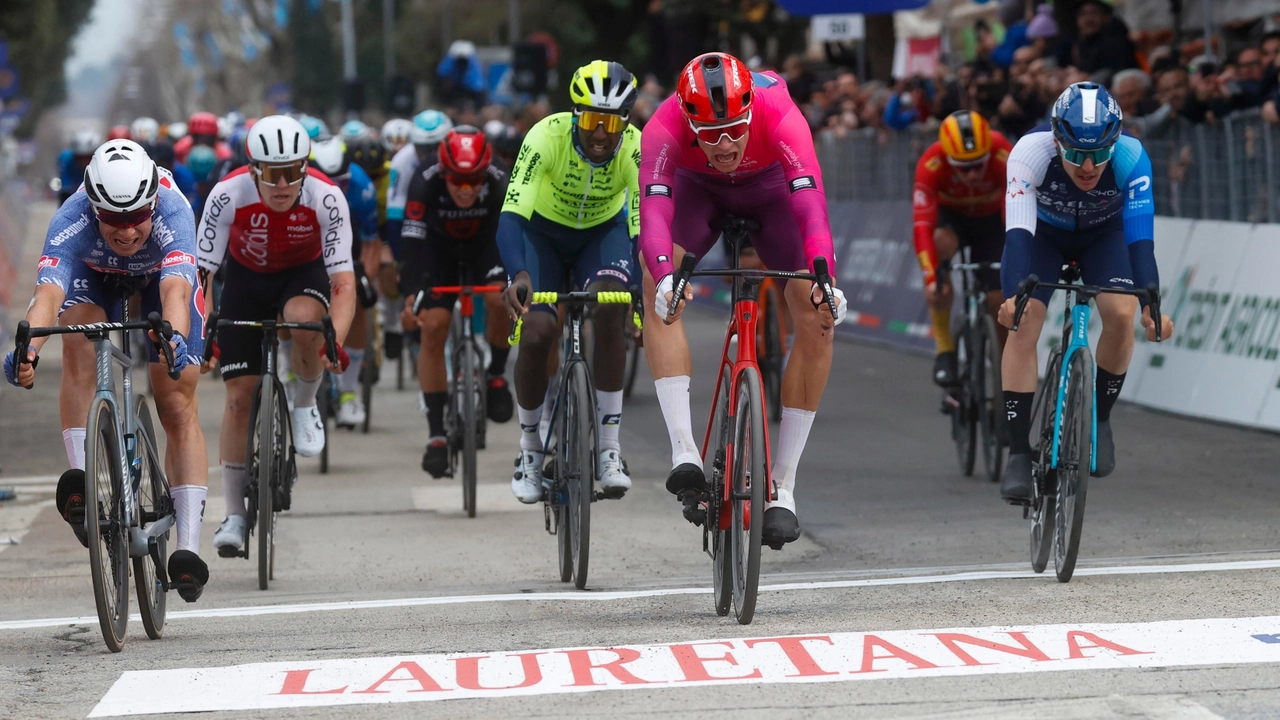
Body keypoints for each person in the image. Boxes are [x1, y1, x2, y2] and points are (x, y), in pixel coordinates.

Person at [638, 52, 847, 549]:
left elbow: (810, 205)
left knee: (818, 318)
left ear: (750, 109)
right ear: (689, 121)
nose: (726, 142)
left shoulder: (779, 112)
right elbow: (655, 216)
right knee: (655, 288)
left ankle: (785, 488)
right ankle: (684, 450)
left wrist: (823, 274)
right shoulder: (662, 127)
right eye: (710, 133)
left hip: (771, 190)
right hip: (698, 191)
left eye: (734, 128)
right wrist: (667, 276)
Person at [6, 140, 210, 601]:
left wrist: (172, 338)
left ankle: (188, 549)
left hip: (160, 279)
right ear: (93, 205)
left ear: (152, 202)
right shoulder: (71, 217)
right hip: (94, 274)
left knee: (175, 396)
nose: (125, 230)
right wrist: (29, 348)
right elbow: (47, 297)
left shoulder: (174, 211)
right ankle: (82, 482)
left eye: (136, 216)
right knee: (78, 337)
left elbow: (177, 292)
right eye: (112, 219)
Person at [998, 82, 1175, 504]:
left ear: (1115, 142)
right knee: (1024, 323)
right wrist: (1012, 298)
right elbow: (1019, 237)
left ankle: (1102, 417)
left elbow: (1141, 245)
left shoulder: (1132, 157)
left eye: (1099, 153)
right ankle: (1019, 452)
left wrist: (1151, 305)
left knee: (1121, 313)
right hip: (1043, 236)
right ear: (1057, 139)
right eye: (1076, 153)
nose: (1089, 166)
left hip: (1105, 236)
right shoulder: (1030, 152)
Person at [196, 115, 356, 557]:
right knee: (238, 399)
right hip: (246, 281)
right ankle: (234, 515)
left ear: (306, 166)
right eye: (272, 173)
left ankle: (305, 406)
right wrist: (204, 333)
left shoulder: (327, 197)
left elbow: (343, 284)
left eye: (292, 171)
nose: (283, 183)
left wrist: (335, 342)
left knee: (305, 320)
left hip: (301, 277)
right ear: (253, 170)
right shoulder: (227, 195)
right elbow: (201, 276)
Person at [497, 60, 642, 503]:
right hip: (541, 235)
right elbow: (511, 214)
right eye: (594, 121)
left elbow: (641, 224)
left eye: (613, 124)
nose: (602, 134)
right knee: (539, 332)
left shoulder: (636, 147)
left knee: (612, 306)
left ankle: (610, 450)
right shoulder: (544, 137)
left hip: (602, 235)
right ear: (577, 115)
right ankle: (529, 449)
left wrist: (638, 287)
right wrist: (518, 273)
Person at [398, 126, 514, 476]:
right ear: (444, 172)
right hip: (438, 251)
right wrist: (410, 295)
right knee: (433, 326)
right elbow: (412, 239)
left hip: (485, 245)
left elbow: (515, 230)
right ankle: (436, 433)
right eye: (458, 181)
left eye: (474, 180)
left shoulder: (499, 179)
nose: (466, 189)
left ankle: (495, 375)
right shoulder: (425, 179)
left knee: (498, 300)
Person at [913, 110, 1013, 387]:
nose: (971, 174)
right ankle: (945, 349)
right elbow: (922, 225)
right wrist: (932, 277)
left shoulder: (1003, 151)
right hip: (952, 220)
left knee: (998, 299)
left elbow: (1014, 212)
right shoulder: (931, 162)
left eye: (978, 165)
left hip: (992, 222)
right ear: (947, 157)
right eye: (962, 167)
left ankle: (1003, 365)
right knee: (939, 268)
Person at [310, 137, 381, 428]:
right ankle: (290, 374)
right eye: (330, 182)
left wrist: (363, 282)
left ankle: (349, 392)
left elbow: (371, 244)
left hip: (346, 251)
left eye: (343, 181)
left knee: (359, 303)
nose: (337, 189)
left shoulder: (362, 187)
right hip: (306, 249)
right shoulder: (297, 187)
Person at [383, 110, 454, 359]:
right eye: (423, 148)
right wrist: (402, 262)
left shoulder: (458, 157)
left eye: (437, 147)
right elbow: (395, 217)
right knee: (410, 272)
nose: (430, 155)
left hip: (449, 217)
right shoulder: (402, 161)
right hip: (415, 218)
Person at [55, 130, 101, 205]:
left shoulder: (100, 160)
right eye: (80, 157)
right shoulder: (66, 159)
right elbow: (65, 191)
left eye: (88, 157)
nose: (84, 162)